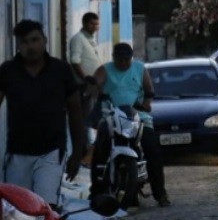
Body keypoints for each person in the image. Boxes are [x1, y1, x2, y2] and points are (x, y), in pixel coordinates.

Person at [0, 19, 84, 209]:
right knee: (18, 211)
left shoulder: (61, 70)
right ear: (18, 45)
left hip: (51, 152)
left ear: (44, 40)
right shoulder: (8, 71)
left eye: (34, 40)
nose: (31, 47)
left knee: (45, 210)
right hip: (17, 154)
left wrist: (77, 153)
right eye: (24, 42)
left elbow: (75, 111)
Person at [90, 42, 170, 207]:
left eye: (127, 60)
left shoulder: (140, 69)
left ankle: (160, 194)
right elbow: (95, 83)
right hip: (112, 115)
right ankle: (96, 191)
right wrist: (93, 90)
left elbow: (149, 89)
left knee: (152, 150)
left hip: (138, 116)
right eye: (120, 60)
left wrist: (147, 102)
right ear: (114, 58)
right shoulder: (105, 69)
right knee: (99, 148)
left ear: (131, 58)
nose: (124, 63)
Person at [69, 12, 101, 164]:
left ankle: (88, 154)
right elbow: (75, 61)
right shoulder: (78, 39)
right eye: (91, 24)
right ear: (84, 23)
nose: (94, 27)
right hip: (84, 87)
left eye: (96, 24)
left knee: (91, 120)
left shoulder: (90, 40)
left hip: (92, 86)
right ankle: (83, 154)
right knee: (85, 121)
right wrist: (85, 79)